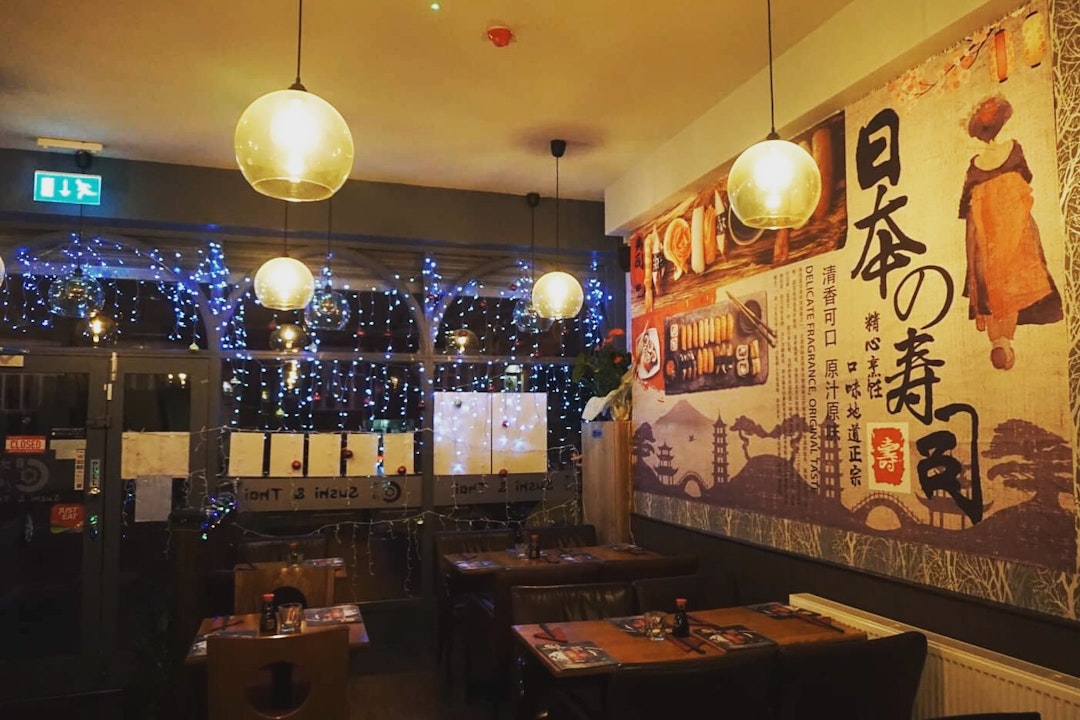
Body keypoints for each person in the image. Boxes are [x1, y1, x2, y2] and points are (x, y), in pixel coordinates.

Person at [958, 94, 1061, 370]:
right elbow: (1025, 178)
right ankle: (1001, 340)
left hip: (989, 239)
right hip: (1014, 233)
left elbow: (968, 210)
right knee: (1011, 285)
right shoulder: (1013, 150)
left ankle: (999, 340)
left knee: (995, 288)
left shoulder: (975, 166)